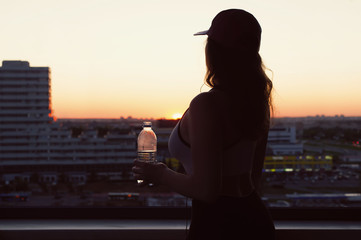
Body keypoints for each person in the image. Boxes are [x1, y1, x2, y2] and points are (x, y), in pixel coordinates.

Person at [133, 9, 275, 240]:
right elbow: (252, 178)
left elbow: (207, 191)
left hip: (217, 225)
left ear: (213, 52)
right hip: (255, 219)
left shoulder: (206, 105)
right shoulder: (258, 104)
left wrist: (159, 174)